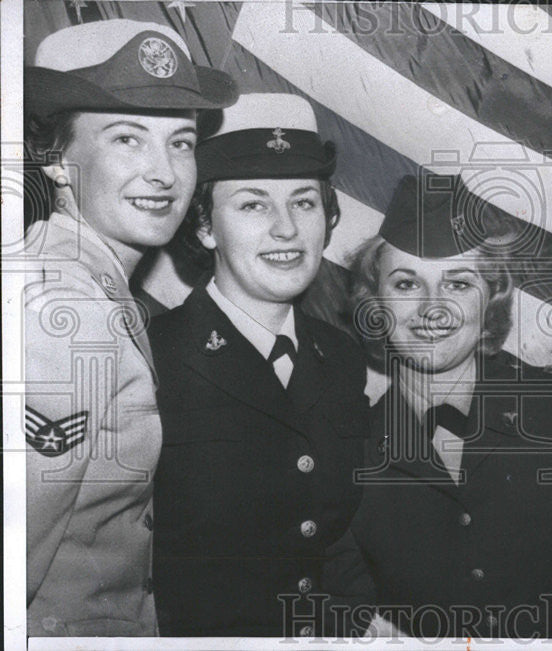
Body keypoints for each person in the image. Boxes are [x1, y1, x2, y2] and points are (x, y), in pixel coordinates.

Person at [20, 20, 236, 636]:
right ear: (58, 160)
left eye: (181, 142)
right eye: (128, 139)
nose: (164, 173)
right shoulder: (60, 310)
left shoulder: (96, 286)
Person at [148, 93, 372, 637]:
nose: (287, 229)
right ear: (204, 228)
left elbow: (336, 538)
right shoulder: (153, 356)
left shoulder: (340, 356)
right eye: (252, 204)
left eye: (303, 202)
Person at [348, 173, 552, 638]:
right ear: (375, 303)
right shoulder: (349, 447)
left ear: (491, 297)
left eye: (459, 284)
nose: (433, 309)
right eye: (407, 285)